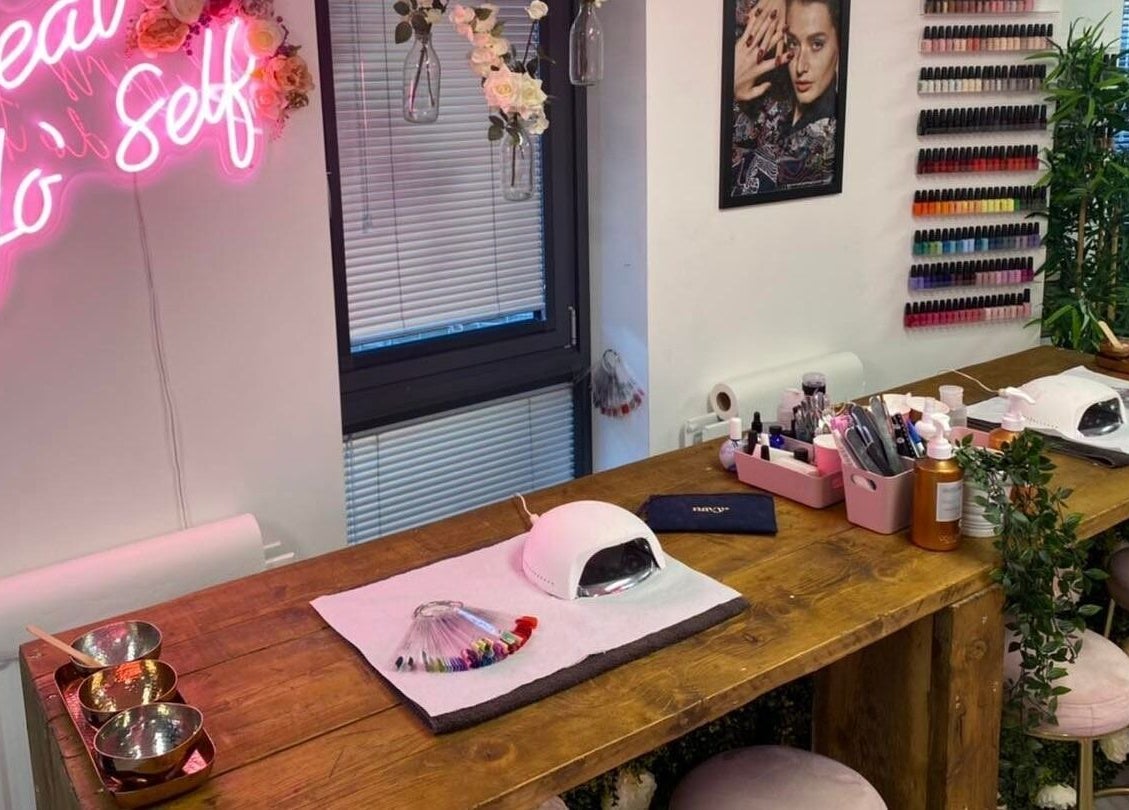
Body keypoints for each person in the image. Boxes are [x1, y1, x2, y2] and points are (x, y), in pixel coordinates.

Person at [730, 0, 841, 197]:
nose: (800, 66)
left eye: (817, 44)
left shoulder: (822, 143)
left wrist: (730, 86)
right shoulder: (778, 100)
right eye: (793, 43)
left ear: (840, 45)